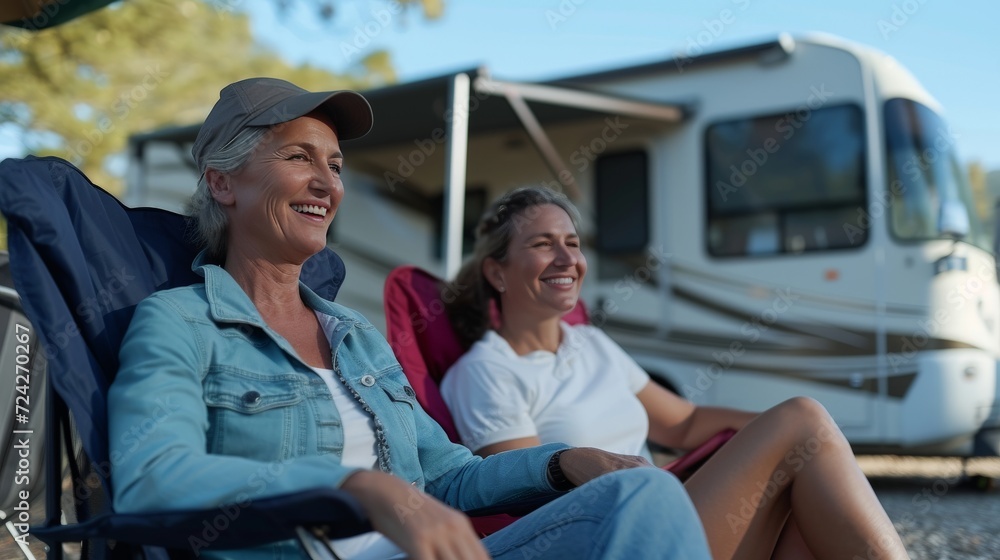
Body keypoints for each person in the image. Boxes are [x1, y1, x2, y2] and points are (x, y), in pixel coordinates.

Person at [106, 78, 713, 560]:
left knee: (642, 489)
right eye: (298, 156)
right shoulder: (180, 321)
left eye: (337, 166)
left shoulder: (354, 336)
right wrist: (353, 488)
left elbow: (448, 475)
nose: (327, 183)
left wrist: (562, 461)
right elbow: (153, 477)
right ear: (222, 181)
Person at [440, 186, 910, 560]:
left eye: (573, 244)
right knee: (803, 418)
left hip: (662, 506)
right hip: (619, 536)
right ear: (497, 273)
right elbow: (528, 501)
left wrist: (790, 438)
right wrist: (796, 430)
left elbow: (681, 423)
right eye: (543, 244)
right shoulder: (486, 372)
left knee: (808, 489)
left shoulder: (589, 344)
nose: (567, 259)